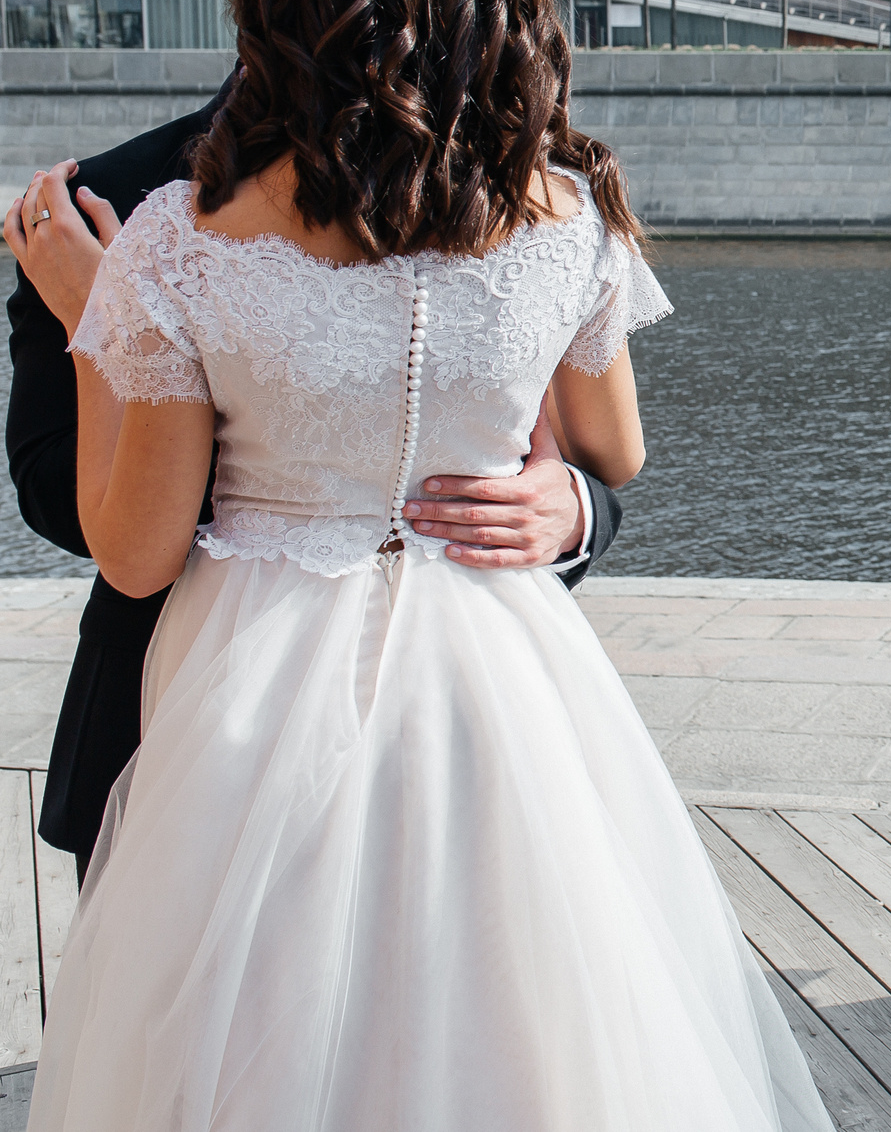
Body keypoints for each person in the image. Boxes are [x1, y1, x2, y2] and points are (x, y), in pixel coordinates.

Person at [21, 0, 826, 1132]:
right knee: (526, 1032)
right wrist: (560, 484)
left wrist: (95, 322)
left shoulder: (173, 236)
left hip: (257, 688)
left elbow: (137, 547)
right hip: (499, 672)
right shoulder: (566, 210)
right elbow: (613, 444)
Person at [9, 106, 620, 895]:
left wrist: (576, 507)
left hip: (471, 714)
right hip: (185, 735)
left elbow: (597, 448)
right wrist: (111, 324)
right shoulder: (113, 197)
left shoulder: (509, 182)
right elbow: (47, 482)